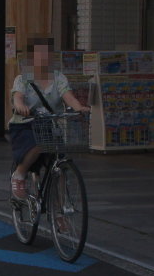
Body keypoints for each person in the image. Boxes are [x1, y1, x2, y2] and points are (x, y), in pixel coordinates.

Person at [8, 48, 91, 199]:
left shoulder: (59, 78)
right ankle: (19, 174)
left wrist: (79, 108)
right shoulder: (23, 79)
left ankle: (59, 210)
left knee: (59, 162)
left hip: (50, 123)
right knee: (38, 144)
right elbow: (18, 97)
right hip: (26, 123)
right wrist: (20, 106)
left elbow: (68, 96)